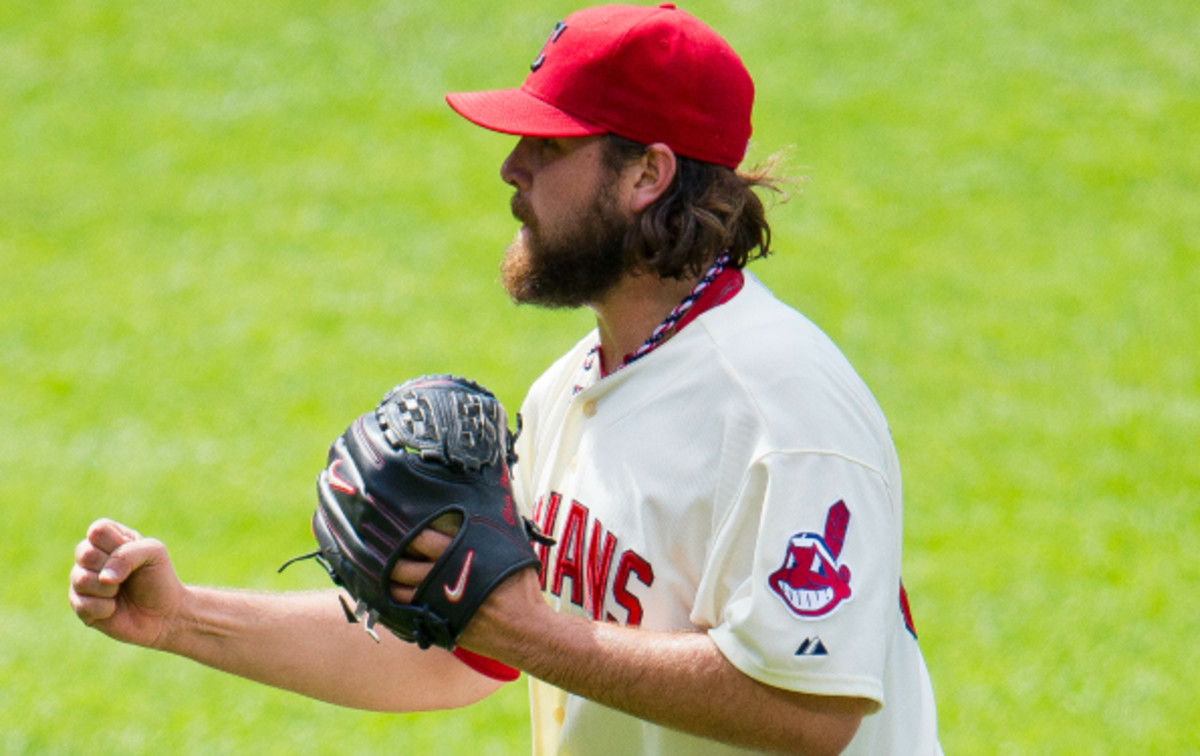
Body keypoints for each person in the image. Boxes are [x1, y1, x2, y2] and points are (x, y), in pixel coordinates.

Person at [70, 4, 941, 754]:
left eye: (550, 145)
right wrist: (185, 618)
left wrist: (526, 627)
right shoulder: (574, 389)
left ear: (649, 174)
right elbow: (462, 646)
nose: (512, 169)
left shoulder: (780, 410)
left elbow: (810, 707)